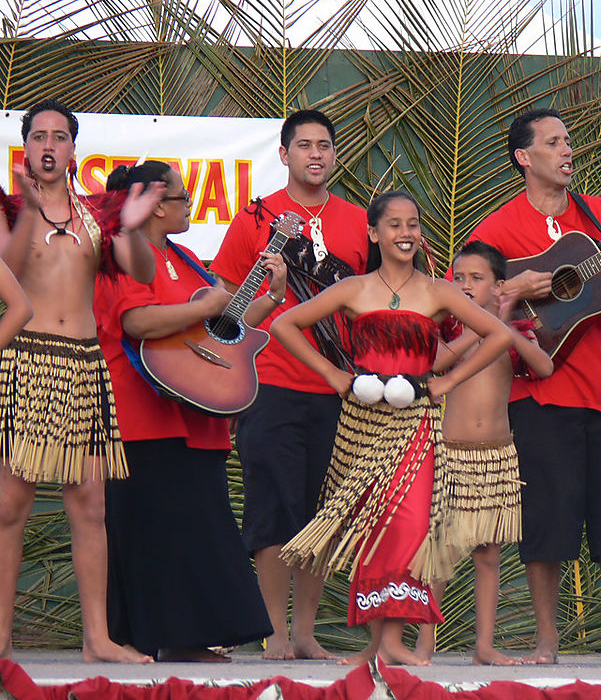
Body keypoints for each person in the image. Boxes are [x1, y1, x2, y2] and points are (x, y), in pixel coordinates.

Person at [462, 108, 601, 665]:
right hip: (537, 392)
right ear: (524, 156)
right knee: (548, 519)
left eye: (569, 142)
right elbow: (464, 297)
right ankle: (546, 639)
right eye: (555, 142)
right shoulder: (496, 227)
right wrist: (514, 286)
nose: (567, 151)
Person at [274, 190, 512, 666]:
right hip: (362, 426)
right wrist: (334, 375)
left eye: (413, 224)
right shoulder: (354, 289)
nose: (406, 233)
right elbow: (285, 325)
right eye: (395, 224)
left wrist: (446, 380)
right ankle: (374, 645)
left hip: (416, 425)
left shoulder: (437, 291)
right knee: (370, 529)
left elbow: (499, 334)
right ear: (373, 233)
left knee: (408, 527)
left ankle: (394, 641)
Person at [94, 161, 282, 661]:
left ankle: (186, 640)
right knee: (156, 531)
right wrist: (204, 308)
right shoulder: (127, 257)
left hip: (196, 412)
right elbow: (137, 321)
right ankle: (156, 639)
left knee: (198, 530)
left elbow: (223, 329)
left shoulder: (185, 259)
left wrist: (274, 297)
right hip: (143, 414)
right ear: (154, 204)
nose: (188, 207)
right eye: (180, 198)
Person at [0, 98, 163, 663]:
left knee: (90, 504)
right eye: (39, 137)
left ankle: (98, 641)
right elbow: (11, 268)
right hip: (28, 359)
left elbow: (140, 272)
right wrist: (25, 208)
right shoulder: (7, 207)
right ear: (27, 149)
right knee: (10, 503)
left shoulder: (97, 213)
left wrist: (137, 230)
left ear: (74, 149)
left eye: (59, 137)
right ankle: (0, 639)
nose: (49, 146)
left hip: (85, 364)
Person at [209, 109, 368, 660]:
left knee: (323, 512)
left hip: (341, 388)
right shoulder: (257, 217)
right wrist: (271, 295)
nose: (316, 154)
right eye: (304, 145)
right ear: (284, 154)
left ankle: (304, 632)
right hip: (269, 382)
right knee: (274, 508)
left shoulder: (356, 220)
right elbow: (228, 312)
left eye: (325, 144)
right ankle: (273, 631)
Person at [415, 240, 554, 665]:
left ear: (500, 286)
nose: (465, 285)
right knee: (438, 548)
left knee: (488, 552)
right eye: (458, 278)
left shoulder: (516, 331)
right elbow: (436, 364)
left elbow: (544, 368)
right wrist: (479, 327)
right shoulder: (450, 328)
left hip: (497, 454)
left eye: (477, 279)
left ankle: (484, 646)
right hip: (449, 450)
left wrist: (504, 323)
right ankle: (423, 645)